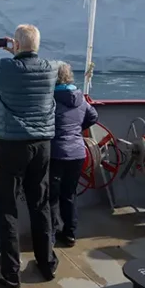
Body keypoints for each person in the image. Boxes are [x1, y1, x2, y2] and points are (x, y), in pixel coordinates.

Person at [0, 24, 58, 288]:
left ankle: (10, 272)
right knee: (40, 204)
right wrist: (18, 50)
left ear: (15, 46)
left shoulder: (7, 68)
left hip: (13, 146)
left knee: (8, 209)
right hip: (42, 146)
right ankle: (47, 263)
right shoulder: (51, 68)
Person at [50, 62, 98, 246]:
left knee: (51, 196)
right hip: (77, 153)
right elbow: (93, 116)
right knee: (69, 194)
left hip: (55, 152)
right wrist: (77, 130)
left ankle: (52, 234)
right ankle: (70, 234)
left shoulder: (50, 98)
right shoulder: (80, 98)